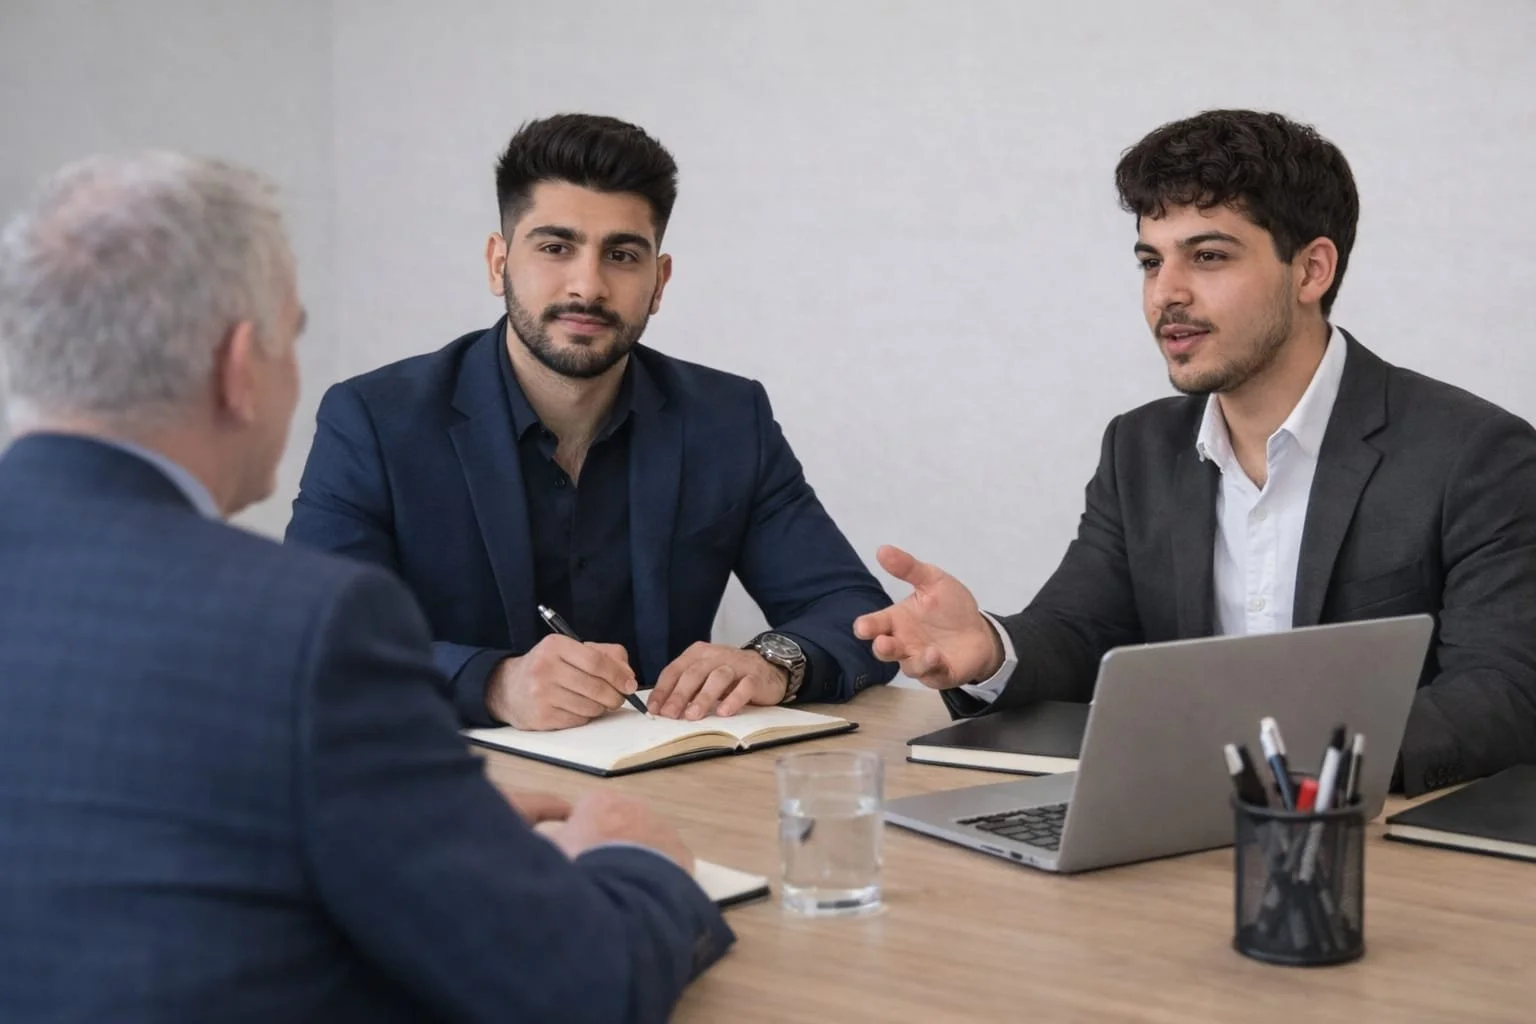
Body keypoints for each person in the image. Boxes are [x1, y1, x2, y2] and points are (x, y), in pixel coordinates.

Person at [0, 151, 730, 1022]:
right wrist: (636, 859)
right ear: (241, 366)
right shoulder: (307, 625)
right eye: (293, 333)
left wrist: (404, 801)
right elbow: (578, 988)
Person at [854, 109, 1536, 797]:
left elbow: (1505, 694)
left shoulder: (1477, 454)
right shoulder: (1141, 448)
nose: (1165, 294)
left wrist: (1284, 766)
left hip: (1376, 843)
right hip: (1182, 830)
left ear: (1311, 270)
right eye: (1152, 261)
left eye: (1208, 257)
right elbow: (1083, 631)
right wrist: (990, 649)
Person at [287, 113, 893, 732]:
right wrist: (493, 684)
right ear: (498, 263)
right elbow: (309, 633)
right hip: (447, 785)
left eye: (622, 255)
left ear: (658, 282)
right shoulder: (375, 419)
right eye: (555, 247)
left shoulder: (729, 419)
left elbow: (854, 612)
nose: (588, 285)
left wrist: (773, 663)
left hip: (675, 789)